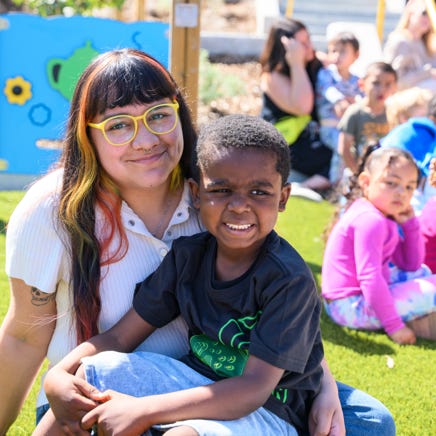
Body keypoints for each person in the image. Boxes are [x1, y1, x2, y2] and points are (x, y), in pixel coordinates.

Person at [0, 48, 396, 436]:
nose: (145, 140)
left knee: (370, 422)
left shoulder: (216, 192)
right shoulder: (55, 208)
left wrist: (321, 384)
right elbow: (23, 335)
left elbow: (282, 310)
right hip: (113, 389)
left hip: (231, 384)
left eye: (159, 116)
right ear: (88, 135)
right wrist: (56, 380)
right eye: (118, 124)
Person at [36, 114, 323, 435]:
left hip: (268, 411)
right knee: (90, 375)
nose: (240, 206)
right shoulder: (188, 257)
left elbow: (253, 389)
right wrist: (59, 374)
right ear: (196, 193)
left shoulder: (289, 279)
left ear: (282, 197)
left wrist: (141, 411)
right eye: (222, 190)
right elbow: (119, 338)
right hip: (194, 382)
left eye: (259, 192)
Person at [322, 145, 436, 345]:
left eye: (410, 186)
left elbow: (411, 264)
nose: (402, 193)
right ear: (366, 182)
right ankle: (410, 321)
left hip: (349, 301)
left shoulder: (380, 215)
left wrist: (410, 226)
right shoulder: (370, 220)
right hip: (349, 306)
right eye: (391, 183)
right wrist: (395, 327)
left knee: (424, 272)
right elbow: (370, 277)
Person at [259, 17, 333, 198]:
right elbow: (303, 106)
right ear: (287, 47)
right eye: (302, 43)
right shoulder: (272, 77)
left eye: (309, 40)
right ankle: (306, 186)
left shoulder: (316, 61)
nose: (309, 46)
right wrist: (296, 64)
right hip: (289, 142)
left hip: (314, 133)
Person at [316, 31, 362, 185]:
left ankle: (354, 180)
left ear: (355, 55)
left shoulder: (357, 81)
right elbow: (328, 90)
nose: (336, 56)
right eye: (333, 51)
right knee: (342, 148)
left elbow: (362, 99)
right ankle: (336, 184)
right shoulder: (326, 74)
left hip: (349, 128)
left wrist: (356, 103)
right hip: (330, 126)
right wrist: (340, 100)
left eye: (342, 52)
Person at [338, 61, 397, 175]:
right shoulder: (355, 113)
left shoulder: (393, 113)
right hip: (360, 172)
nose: (382, 89)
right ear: (362, 84)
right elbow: (344, 149)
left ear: (395, 87)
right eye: (376, 83)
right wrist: (357, 173)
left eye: (388, 84)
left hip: (384, 174)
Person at [381, 93, 436, 213]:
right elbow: (429, 175)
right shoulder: (428, 132)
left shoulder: (412, 127)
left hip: (382, 182)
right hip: (393, 185)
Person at [383, 0, 436, 91]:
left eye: (431, 13)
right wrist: (427, 73)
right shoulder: (400, 41)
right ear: (411, 11)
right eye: (424, 13)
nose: (428, 18)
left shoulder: (428, 45)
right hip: (406, 99)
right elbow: (393, 81)